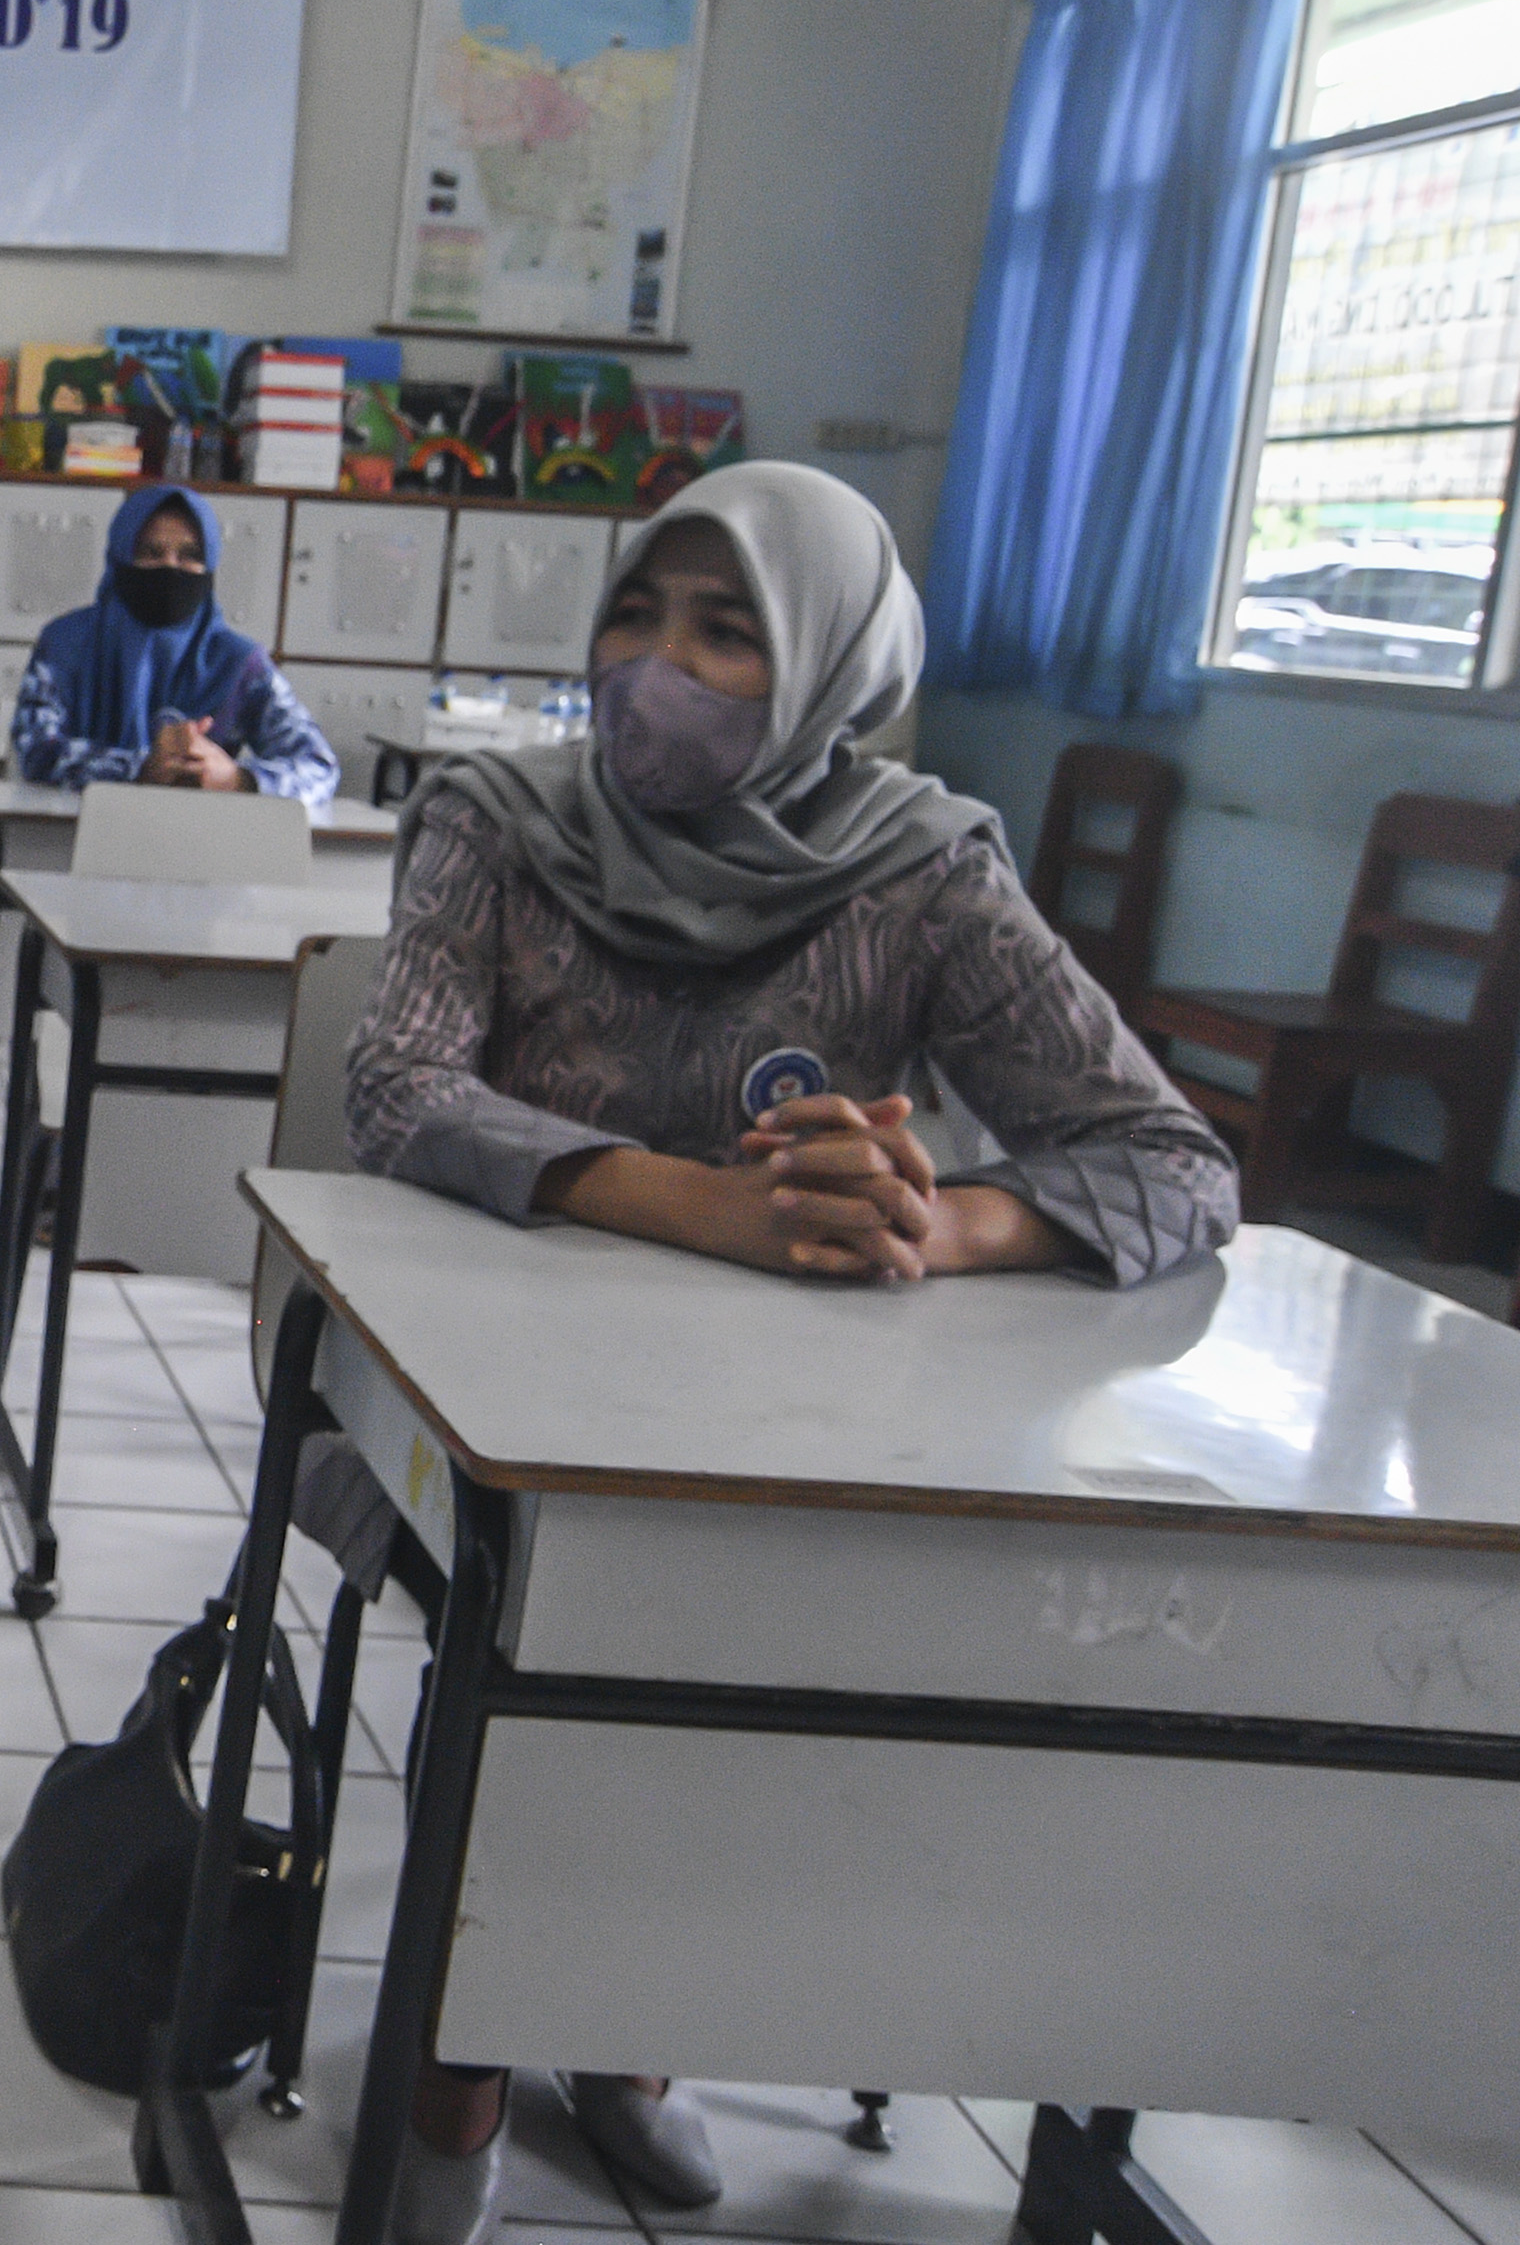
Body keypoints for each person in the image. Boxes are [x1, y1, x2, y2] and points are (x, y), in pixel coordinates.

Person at [339, 460, 1239, 2243]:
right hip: (501, 1393)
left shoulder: (921, 867)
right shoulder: (499, 820)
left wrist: (933, 1218)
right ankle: (459, 2065)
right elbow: (397, 1085)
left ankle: (629, 2034)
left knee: (746, 1666)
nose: (655, 665)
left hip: (797, 1421)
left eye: (724, 630)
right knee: (533, 1644)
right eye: (636, 612)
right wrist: (701, 1203)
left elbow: (1172, 1161)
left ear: (833, 662)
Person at [10, 484, 338, 806]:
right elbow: (35, 749)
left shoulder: (238, 663)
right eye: (151, 553)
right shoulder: (65, 643)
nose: (170, 567)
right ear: (120, 558)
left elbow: (319, 767)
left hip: (201, 836)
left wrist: (237, 779)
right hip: (69, 832)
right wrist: (140, 768)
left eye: (190, 556)